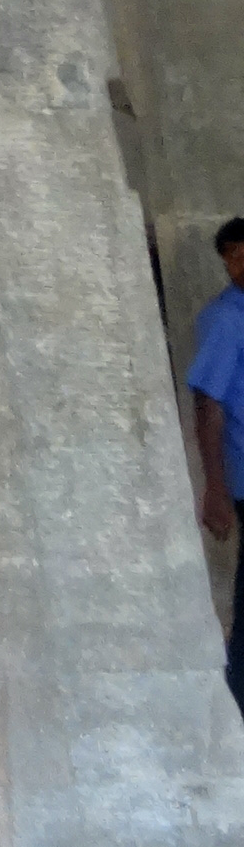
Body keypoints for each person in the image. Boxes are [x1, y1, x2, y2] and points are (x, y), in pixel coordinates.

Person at [187, 213, 244, 717]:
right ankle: (238, 701)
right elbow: (208, 405)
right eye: (233, 256)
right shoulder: (227, 318)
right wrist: (216, 491)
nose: (240, 265)